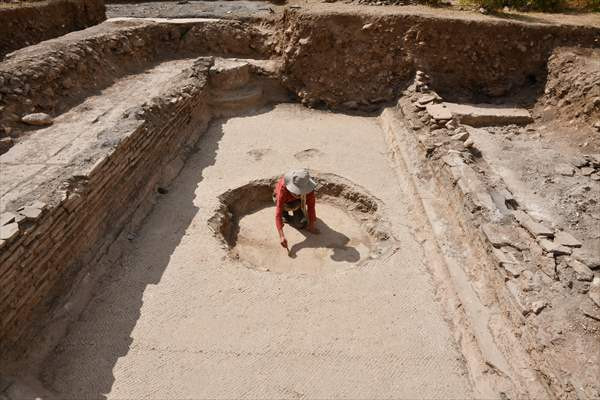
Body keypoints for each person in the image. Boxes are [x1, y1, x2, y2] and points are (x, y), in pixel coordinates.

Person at [273, 169, 319, 248]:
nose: (298, 194)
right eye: (296, 192)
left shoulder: (308, 190)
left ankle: (296, 210)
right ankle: (285, 214)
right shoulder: (283, 189)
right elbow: (278, 212)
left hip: (297, 203)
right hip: (284, 202)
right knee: (285, 215)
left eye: (300, 192)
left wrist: (311, 225)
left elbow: (311, 206)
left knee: (301, 224)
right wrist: (281, 236)